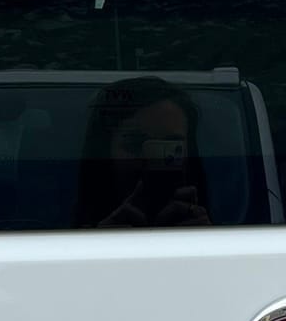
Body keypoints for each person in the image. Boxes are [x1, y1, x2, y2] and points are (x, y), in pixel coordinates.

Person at [74, 76, 212, 227]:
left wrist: (206, 242)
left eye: (171, 147)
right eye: (135, 145)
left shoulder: (226, 233)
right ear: (104, 153)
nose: (151, 161)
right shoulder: (62, 239)